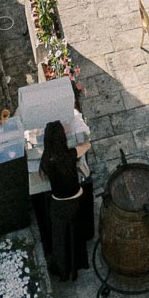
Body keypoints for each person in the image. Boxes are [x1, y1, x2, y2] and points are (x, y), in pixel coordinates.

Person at [38, 120, 90, 280]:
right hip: (76, 199)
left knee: (60, 239)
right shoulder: (70, 155)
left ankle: (62, 270)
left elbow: (42, 177)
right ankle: (78, 264)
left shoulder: (45, 161)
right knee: (75, 234)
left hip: (58, 202)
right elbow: (87, 145)